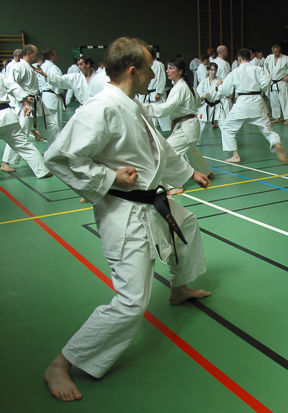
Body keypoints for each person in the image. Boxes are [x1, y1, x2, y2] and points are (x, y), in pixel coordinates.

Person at [42, 37, 211, 402]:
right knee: (132, 300)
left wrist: (189, 173)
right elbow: (58, 157)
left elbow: (161, 148)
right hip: (124, 212)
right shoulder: (100, 108)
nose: (154, 75)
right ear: (133, 70)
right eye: (150, 68)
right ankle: (61, 364)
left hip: (150, 201)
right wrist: (109, 178)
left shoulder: (130, 104)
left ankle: (179, 288)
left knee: (188, 224)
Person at [142, 57, 213, 179]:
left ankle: (171, 183)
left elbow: (165, 109)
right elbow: (197, 102)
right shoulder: (185, 85)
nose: (168, 71)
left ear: (180, 71)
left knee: (166, 153)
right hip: (188, 126)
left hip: (187, 127)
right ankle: (207, 173)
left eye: (171, 68)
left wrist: (142, 107)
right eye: (167, 68)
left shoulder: (180, 87)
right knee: (191, 153)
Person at [218, 48, 288, 164]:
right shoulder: (258, 69)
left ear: (239, 59)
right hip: (257, 101)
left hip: (242, 102)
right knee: (267, 130)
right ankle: (276, 143)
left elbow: (225, 90)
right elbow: (267, 79)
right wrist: (261, 89)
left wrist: (219, 87)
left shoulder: (235, 72)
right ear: (250, 58)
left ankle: (235, 155)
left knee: (227, 128)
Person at [1, 44, 60, 173]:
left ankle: (55, 156)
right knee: (20, 133)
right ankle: (6, 162)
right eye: (36, 53)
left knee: (52, 128)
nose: (38, 56)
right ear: (28, 54)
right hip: (26, 106)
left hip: (37, 103)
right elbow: (10, 83)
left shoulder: (30, 67)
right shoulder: (19, 67)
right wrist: (23, 97)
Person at [0, 72, 52, 178]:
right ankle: (43, 171)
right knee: (25, 146)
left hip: (6, 116)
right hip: (7, 116)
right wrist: (25, 103)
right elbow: (13, 86)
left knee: (25, 145)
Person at [264, 44, 288, 125]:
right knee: (274, 101)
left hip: (282, 82)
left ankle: (287, 118)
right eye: (276, 52)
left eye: (279, 51)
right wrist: (268, 76)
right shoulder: (269, 58)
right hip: (272, 82)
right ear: (272, 51)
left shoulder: (285, 58)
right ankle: (277, 117)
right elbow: (265, 66)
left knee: (284, 101)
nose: (277, 53)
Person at [138, 54, 170, 132]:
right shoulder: (145, 65)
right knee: (149, 114)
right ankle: (152, 130)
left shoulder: (159, 65)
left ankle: (169, 130)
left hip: (155, 93)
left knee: (161, 112)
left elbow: (161, 79)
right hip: (148, 93)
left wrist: (159, 92)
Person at [196, 62, 225, 145]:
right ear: (208, 70)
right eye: (211, 70)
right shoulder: (204, 82)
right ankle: (198, 142)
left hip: (217, 105)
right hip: (207, 105)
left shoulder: (219, 81)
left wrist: (220, 87)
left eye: (215, 70)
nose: (213, 72)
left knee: (223, 125)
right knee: (202, 125)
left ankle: (227, 143)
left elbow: (224, 93)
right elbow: (198, 92)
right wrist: (203, 96)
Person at [38, 48, 64, 131]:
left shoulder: (42, 66)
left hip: (45, 96)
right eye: (55, 54)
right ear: (51, 56)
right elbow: (57, 81)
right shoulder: (52, 67)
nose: (57, 56)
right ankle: (56, 142)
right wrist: (58, 93)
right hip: (53, 96)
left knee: (49, 124)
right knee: (56, 124)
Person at [212, 45, 232, 117]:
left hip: (214, 93)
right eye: (226, 51)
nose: (227, 52)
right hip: (223, 94)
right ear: (221, 52)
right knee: (226, 115)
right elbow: (225, 80)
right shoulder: (224, 64)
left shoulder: (213, 62)